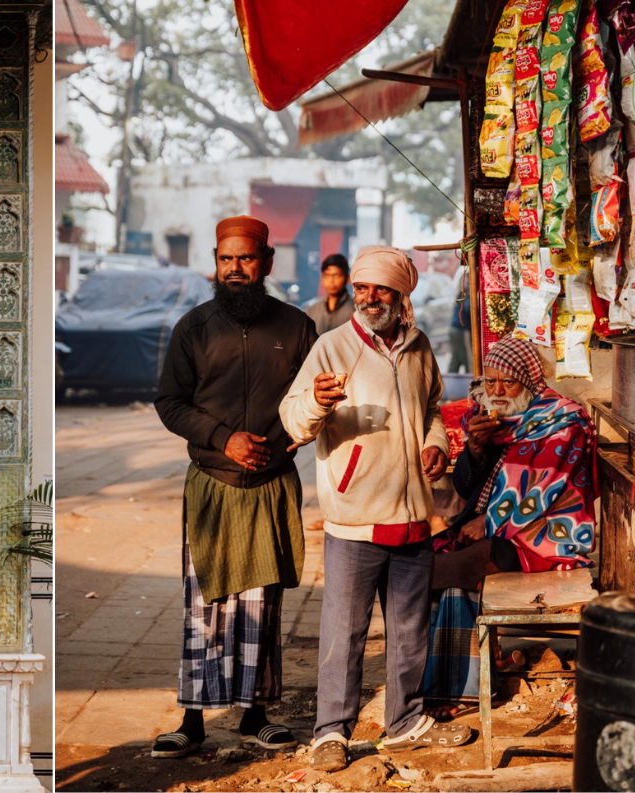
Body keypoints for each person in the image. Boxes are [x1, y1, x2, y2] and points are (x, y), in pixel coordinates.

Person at [279, 246, 475, 772]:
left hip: (413, 514)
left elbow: (432, 408)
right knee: (344, 631)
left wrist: (436, 444)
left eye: (380, 289)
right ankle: (330, 732)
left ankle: (404, 721)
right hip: (355, 516)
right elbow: (293, 420)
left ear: (400, 295)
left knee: (409, 628)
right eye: (362, 288)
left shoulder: (419, 346)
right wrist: (318, 401)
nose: (368, 298)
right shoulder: (331, 347)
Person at [152, 215, 318, 758]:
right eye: (226, 259)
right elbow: (169, 402)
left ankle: (256, 715)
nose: (235, 269)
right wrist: (223, 440)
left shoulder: (297, 328)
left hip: (271, 485)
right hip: (212, 484)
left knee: (262, 604)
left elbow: (313, 400)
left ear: (267, 262)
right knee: (204, 603)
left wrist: (291, 438)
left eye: (246, 258)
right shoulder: (193, 328)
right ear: (216, 263)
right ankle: (192, 720)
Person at [424, 338, 598, 701]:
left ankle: (446, 687)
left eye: (508, 382)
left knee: (428, 573)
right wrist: (475, 449)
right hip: (501, 533)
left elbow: (542, 489)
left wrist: (487, 523)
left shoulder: (562, 422)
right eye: (490, 382)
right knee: (440, 571)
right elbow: (465, 487)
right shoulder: (496, 421)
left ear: (529, 382)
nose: (497, 391)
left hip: (544, 538)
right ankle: (454, 688)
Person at [303, 253, 354, 335]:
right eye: (327, 275)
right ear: (322, 278)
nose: (331, 280)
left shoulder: (355, 309)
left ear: (347, 279)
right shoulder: (311, 311)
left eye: (336, 275)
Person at [447, 273, 471, 374]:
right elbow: (468, 309)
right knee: (467, 358)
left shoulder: (462, 293)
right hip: (460, 330)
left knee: (456, 357)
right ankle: (470, 379)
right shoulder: (466, 294)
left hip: (455, 328)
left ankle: (449, 378)